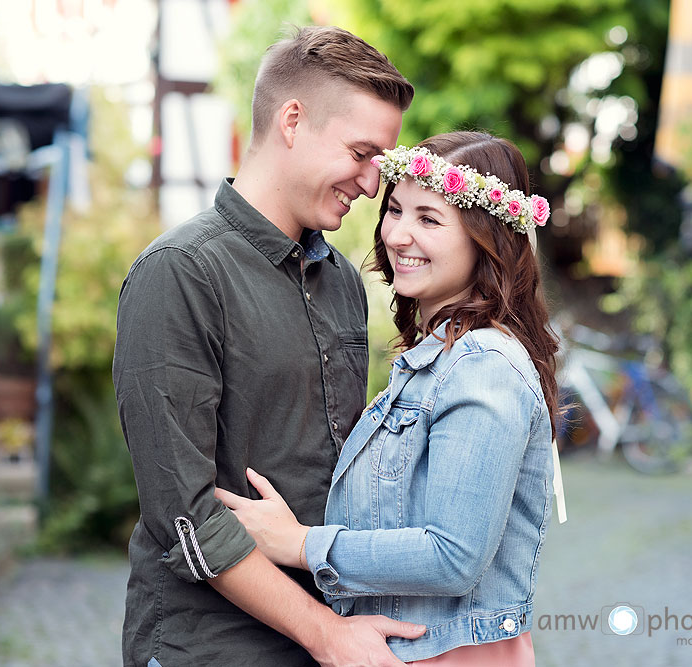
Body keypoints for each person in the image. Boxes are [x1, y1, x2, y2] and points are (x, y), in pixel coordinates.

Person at [113, 25, 425, 667]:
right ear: (292, 120)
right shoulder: (179, 273)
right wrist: (327, 634)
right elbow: (185, 519)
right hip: (210, 647)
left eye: (382, 162)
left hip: (327, 637)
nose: (373, 184)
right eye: (362, 153)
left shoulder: (341, 280)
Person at [217, 131, 562, 665]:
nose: (399, 234)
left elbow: (455, 557)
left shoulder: (482, 367)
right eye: (395, 209)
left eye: (429, 219)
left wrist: (300, 543)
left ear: (485, 238)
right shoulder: (437, 360)